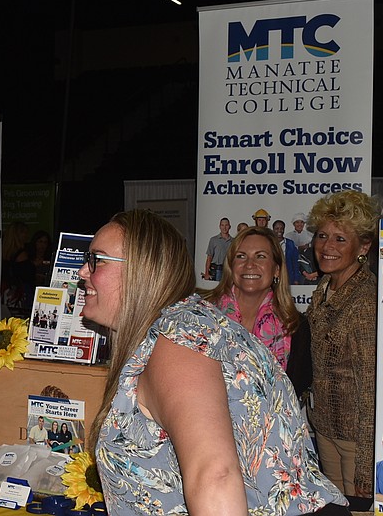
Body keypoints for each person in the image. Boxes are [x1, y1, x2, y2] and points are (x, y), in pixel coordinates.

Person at [81, 209, 347, 515]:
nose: (83, 272)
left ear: (142, 270)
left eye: (96, 260)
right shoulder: (187, 325)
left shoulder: (179, 339)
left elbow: (215, 476)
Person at [305, 190, 380, 500]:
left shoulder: (365, 300)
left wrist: (365, 463)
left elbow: (370, 387)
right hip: (325, 428)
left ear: (363, 246)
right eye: (322, 236)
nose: (327, 246)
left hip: (355, 440)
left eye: (340, 239)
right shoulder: (324, 286)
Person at [201, 227, 298, 371]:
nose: (250, 264)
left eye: (260, 256)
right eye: (241, 256)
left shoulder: (296, 328)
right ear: (231, 266)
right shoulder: (202, 315)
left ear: (276, 269)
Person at [273, 219, 301, 285]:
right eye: (277, 228)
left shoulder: (290, 243)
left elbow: (295, 262)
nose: (279, 231)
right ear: (273, 230)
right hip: (272, 276)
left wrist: (296, 279)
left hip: (287, 277)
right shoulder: (269, 243)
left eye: (281, 228)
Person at [203, 217, 232, 281]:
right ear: (220, 226)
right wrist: (206, 273)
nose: (224, 227)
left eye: (226, 225)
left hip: (228, 271)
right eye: (222, 225)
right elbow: (209, 257)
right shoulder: (213, 240)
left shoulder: (233, 241)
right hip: (216, 270)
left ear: (229, 226)